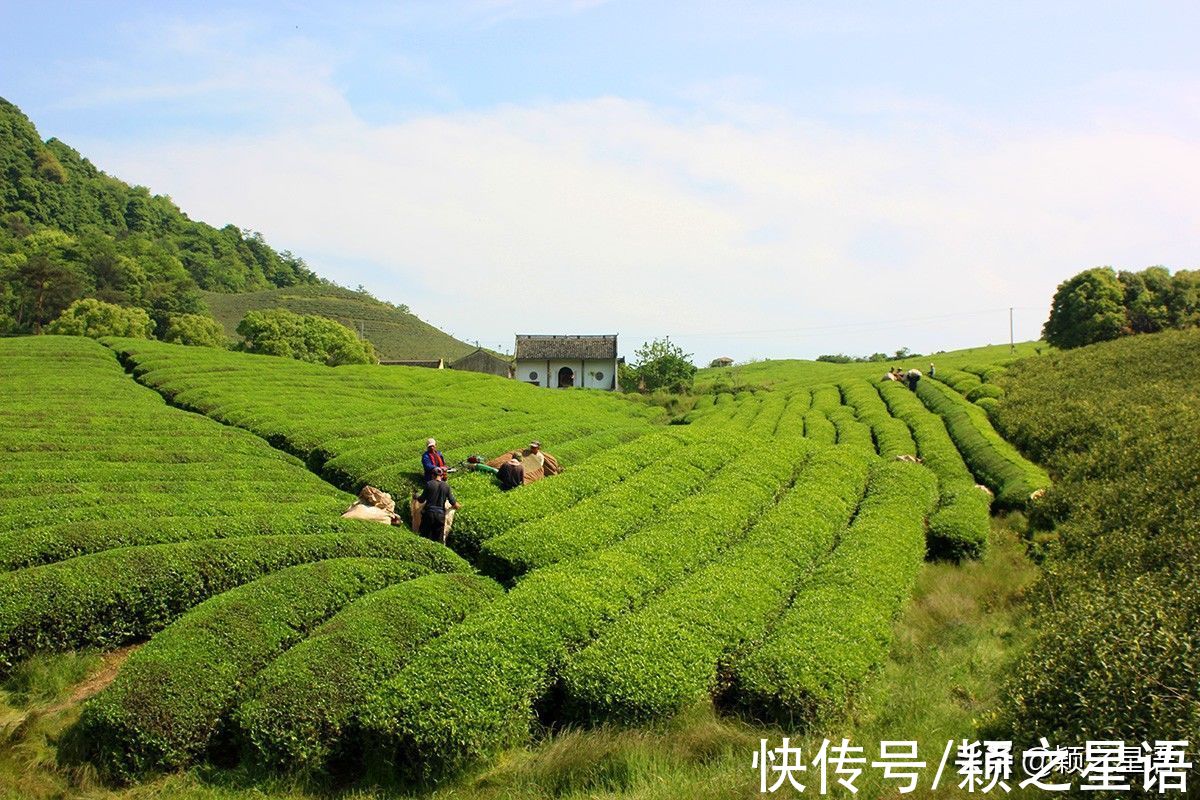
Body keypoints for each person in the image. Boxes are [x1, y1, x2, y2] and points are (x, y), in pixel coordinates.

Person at [416, 467, 459, 541]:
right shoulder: (446, 486)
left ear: (432, 475)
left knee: (424, 537)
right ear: (442, 476)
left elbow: (421, 500)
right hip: (440, 516)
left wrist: (416, 497)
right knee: (438, 539)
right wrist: (458, 506)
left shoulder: (429, 484)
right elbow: (453, 502)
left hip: (429, 514)